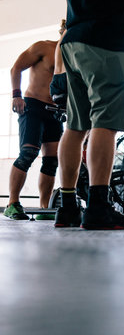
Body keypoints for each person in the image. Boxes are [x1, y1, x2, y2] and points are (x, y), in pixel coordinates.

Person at [55, 0, 124, 230]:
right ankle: (98, 208)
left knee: (76, 126)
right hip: (107, 39)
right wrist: (122, 1)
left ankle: (67, 207)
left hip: (72, 40)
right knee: (106, 121)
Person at [4, 21, 66, 220]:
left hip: (55, 112)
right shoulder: (43, 47)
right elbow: (16, 68)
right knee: (28, 153)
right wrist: (16, 95)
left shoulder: (74, 58)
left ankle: (44, 208)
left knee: (51, 161)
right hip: (33, 106)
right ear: (64, 31)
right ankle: (12, 203)